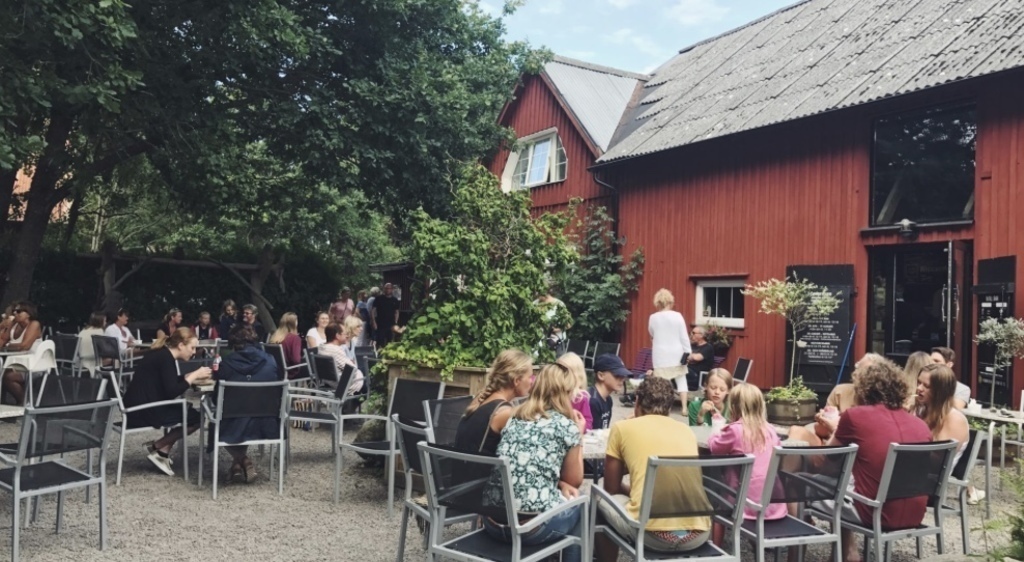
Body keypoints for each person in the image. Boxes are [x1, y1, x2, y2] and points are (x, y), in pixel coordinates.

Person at [812, 359, 931, 562]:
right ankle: (844, 552)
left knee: (803, 485)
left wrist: (833, 428)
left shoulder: (855, 416)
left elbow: (828, 458)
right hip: (915, 512)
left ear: (862, 389)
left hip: (874, 511)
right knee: (846, 485)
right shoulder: (920, 426)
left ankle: (806, 554)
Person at [597, 376, 711, 561]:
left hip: (652, 536)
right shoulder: (687, 432)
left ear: (637, 401)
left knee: (599, 497)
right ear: (668, 407)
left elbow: (611, 488)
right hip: (698, 533)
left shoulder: (622, 428)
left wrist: (633, 492)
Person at [482, 362, 586, 562]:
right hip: (529, 530)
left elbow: (525, 465)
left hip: (492, 522)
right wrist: (578, 435)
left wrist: (558, 482)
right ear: (565, 392)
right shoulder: (566, 426)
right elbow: (575, 481)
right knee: (581, 505)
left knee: (552, 498)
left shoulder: (515, 417)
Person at [122, 327, 212, 476]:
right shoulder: (165, 358)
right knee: (197, 418)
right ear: (181, 345)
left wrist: (187, 376)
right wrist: (195, 374)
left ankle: (162, 451)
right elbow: (171, 391)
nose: (194, 352)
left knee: (188, 410)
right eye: (192, 347)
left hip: (137, 407)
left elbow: (167, 382)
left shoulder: (161, 354)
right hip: (144, 411)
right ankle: (158, 446)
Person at [707, 382, 786, 545]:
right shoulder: (770, 429)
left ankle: (718, 550)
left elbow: (715, 448)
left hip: (744, 503)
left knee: (718, 507)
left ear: (734, 407)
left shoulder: (735, 430)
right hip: (772, 503)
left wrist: (717, 429)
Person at [212, 324, 280, 483]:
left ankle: (242, 460)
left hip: (232, 424)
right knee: (247, 410)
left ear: (233, 344)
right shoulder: (271, 360)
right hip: (266, 423)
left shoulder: (226, 363)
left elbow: (217, 398)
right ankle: (240, 463)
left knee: (221, 419)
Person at [915, 363, 977, 503]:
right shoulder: (921, 411)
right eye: (918, 382)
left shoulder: (954, 419)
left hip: (929, 485)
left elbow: (936, 460)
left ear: (940, 390)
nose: (919, 388)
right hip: (911, 477)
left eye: (926, 386)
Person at [454, 349, 534, 455]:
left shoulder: (480, 399)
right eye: (530, 377)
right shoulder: (504, 413)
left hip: (461, 469)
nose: (532, 381)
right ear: (517, 381)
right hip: (481, 470)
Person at [648, 288, 691, 405]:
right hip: (677, 353)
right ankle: (684, 407)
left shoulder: (653, 317)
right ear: (670, 301)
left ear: (658, 302)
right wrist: (688, 352)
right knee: (681, 379)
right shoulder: (678, 316)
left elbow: (651, 333)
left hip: (660, 354)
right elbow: (684, 336)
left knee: (661, 381)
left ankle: (661, 404)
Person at [0, 302, 43, 405]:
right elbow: (1, 342)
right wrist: (2, 326)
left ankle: (23, 403)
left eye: (19, 311)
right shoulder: (13, 325)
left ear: (28, 314)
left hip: (33, 365)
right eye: (14, 311)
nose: (15, 313)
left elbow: (24, 346)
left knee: (7, 377)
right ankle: (2, 403)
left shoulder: (34, 324)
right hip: (15, 364)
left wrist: (7, 345)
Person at [318, 323, 365, 395]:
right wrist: (352, 363)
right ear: (337, 336)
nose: (347, 336)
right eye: (345, 334)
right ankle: (346, 405)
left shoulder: (322, 348)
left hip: (328, 381)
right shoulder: (335, 350)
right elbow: (353, 369)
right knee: (366, 383)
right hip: (341, 385)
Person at [589, 354, 631, 430]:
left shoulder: (608, 399)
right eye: (617, 375)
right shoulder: (593, 401)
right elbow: (593, 436)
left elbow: (603, 432)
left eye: (623, 375)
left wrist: (626, 422)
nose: (622, 379)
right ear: (601, 376)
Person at [558, 352, 592, 431]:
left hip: (575, 435)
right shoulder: (554, 393)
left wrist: (581, 426)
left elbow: (588, 422)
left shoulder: (580, 397)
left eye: (564, 373)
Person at [268, 312, 303, 379]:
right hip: (289, 372)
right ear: (294, 323)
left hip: (275, 370)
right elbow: (296, 360)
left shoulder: (274, 337)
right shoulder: (295, 338)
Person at [77, 311, 108, 376]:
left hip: (81, 361)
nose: (106, 323)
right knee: (117, 360)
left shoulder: (83, 331)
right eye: (105, 321)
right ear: (100, 321)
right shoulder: (100, 331)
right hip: (93, 360)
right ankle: (118, 382)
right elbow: (104, 350)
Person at [685, 325, 715, 390]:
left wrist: (687, 355)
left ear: (701, 335)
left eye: (693, 333)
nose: (691, 335)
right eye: (691, 333)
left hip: (698, 376)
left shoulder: (708, 347)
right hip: (689, 373)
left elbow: (697, 358)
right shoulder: (693, 346)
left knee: (680, 370)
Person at [371, 283, 400, 349]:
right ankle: (379, 355)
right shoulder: (378, 299)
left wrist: (395, 322)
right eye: (386, 288)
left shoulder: (395, 300)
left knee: (390, 341)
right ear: (384, 289)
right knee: (380, 341)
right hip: (380, 324)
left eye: (389, 288)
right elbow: (373, 310)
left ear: (392, 289)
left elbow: (397, 312)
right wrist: (373, 322)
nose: (387, 290)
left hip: (391, 324)